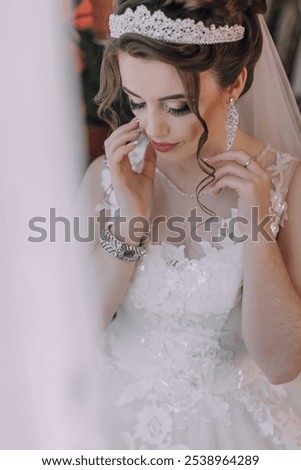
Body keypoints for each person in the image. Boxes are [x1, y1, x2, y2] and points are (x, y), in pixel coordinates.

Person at [79, 0, 301, 449]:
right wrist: (130, 226)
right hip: (109, 420)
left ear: (235, 82)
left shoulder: (287, 185)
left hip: (231, 431)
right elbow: (71, 331)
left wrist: (257, 230)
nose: (152, 127)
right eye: (136, 102)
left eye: (177, 107)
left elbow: (281, 365)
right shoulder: (108, 175)